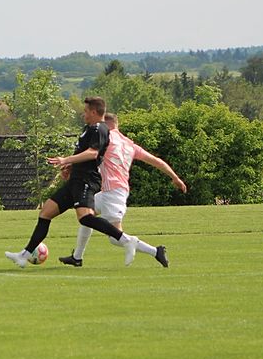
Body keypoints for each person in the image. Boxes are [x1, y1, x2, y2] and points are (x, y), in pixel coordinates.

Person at [4, 97, 138, 268]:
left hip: (86, 180)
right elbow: (82, 153)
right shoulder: (88, 128)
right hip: (76, 179)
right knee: (45, 212)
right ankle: (24, 255)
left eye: (86, 111)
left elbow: (92, 153)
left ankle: (126, 240)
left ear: (94, 112)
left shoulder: (100, 129)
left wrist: (65, 159)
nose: (83, 114)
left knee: (85, 218)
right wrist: (69, 166)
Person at [59, 113, 187, 268]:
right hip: (113, 191)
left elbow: (90, 155)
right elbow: (156, 161)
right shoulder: (130, 144)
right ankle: (77, 257)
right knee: (86, 216)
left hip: (113, 194)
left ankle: (155, 251)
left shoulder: (106, 138)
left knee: (115, 238)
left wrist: (69, 165)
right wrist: (175, 178)